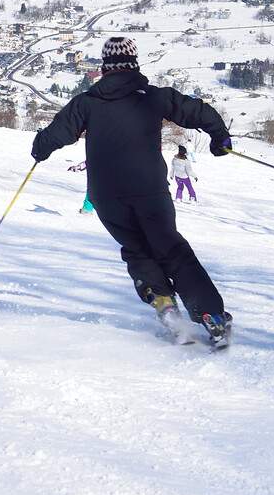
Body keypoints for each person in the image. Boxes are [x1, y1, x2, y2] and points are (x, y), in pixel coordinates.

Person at [31, 36, 234, 349]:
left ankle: (164, 304)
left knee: (137, 249)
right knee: (170, 248)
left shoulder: (87, 102)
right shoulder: (153, 98)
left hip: (107, 194)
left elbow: (57, 133)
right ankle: (210, 315)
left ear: (105, 68)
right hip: (149, 189)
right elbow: (198, 112)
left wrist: (40, 149)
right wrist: (219, 138)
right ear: (134, 64)